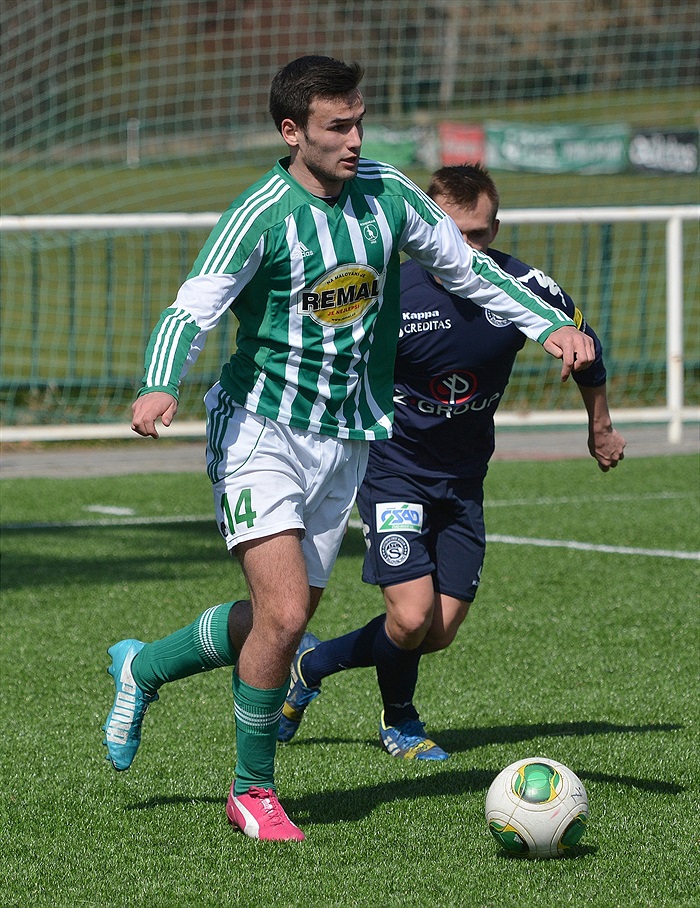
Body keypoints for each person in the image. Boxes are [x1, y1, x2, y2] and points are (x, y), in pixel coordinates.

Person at [101, 58, 595, 842]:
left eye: (360, 121)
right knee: (288, 611)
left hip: (348, 436)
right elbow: (189, 309)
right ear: (292, 132)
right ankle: (251, 791)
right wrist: (160, 385)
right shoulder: (260, 214)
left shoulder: (389, 194)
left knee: (280, 619)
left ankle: (143, 667)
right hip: (260, 427)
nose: (356, 139)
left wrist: (547, 324)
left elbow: (465, 270)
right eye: (339, 126)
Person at [276, 163, 626, 760]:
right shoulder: (386, 295)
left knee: (436, 631)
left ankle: (314, 664)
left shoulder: (525, 287)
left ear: (497, 228)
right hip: (393, 471)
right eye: (455, 235)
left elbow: (584, 351)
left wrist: (601, 426)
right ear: (428, 228)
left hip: (465, 478)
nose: (469, 249)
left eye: (482, 235)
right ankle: (401, 722)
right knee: (410, 618)